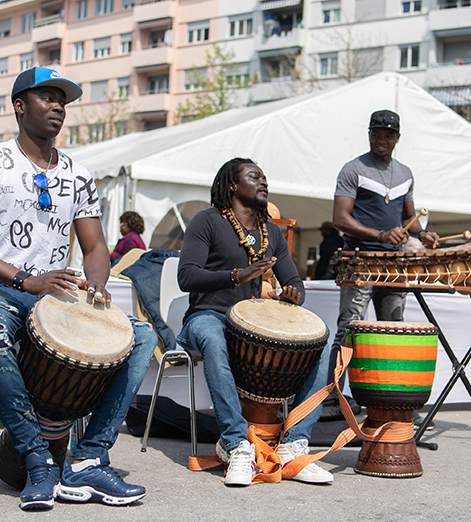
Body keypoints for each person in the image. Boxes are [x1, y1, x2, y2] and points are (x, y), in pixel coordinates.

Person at [0, 67, 156, 511]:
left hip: (54, 296)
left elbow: (96, 246)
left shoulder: (78, 175)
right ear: (20, 105)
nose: (59, 106)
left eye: (63, 100)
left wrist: (96, 287)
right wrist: (24, 280)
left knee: (139, 337)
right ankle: (36, 458)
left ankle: (89, 458)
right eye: (47, 97)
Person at [177, 157, 333, 487]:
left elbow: (296, 281)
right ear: (233, 185)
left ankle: (293, 445)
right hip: (208, 317)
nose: (263, 182)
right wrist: (237, 275)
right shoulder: (206, 222)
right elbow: (186, 276)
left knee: (321, 345)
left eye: (265, 177)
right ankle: (236, 446)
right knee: (214, 338)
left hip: (250, 328)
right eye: (254, 177)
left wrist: (293, 294)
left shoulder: (271, 233)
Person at [330, 109, 439, 385]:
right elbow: (340, 218)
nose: (382, 139)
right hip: (360, 261)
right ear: (369, 135)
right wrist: (379, 235)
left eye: (388, 135)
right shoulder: (352, 169)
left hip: (394, 265)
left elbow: (407, 219)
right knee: (349, 329)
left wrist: (423, 234)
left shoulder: (405, 174)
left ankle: (390, 399)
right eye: (376, 133)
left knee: (393, 330)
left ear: (397, 138)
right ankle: (331, 396)